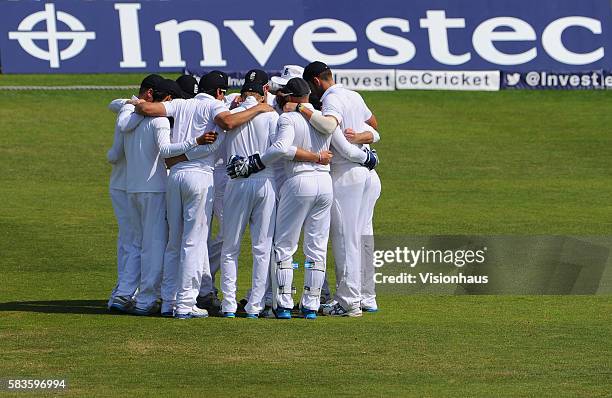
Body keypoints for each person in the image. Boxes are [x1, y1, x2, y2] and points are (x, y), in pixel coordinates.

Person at [134, 71, 274, 319]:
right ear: (220, 92)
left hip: (175, 175)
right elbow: (228, 123)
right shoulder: (213, 106)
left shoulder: (181, 103)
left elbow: (146, 108)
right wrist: (259, 109)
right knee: (193, 241)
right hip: (199, 176)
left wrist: (130, 103)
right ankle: (186, 303)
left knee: (174, 241)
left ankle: (169, 300)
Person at [233, 78, 334, 320]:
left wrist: (256, 162)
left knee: (284, 246)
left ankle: (284, 303)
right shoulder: (320, 117)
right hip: (325, 184)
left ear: (288, 97)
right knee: (316, 248)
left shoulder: (287, 118)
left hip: (299, 181)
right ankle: (310, 305)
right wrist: (319, 157)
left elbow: (280, 148)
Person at [289, 61, 381, 317]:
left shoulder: (331, 100)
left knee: (345, 239)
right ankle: (367, 296)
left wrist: (303, 110)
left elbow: (333, 134)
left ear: (316, 81)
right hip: (366, 176)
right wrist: (364, 143)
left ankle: (348, 302)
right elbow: (373, 125)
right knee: (363, 236)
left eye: (311, 88)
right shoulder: (353, 94)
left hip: (346, 174)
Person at [218, 81, 280, 318]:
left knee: (230, 246)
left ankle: (228, 304)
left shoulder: (231, 113)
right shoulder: (271, 116)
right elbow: (279, 149)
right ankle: (255, 305)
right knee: (262, 248)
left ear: (243, 93)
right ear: (264, 92)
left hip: (236, 182)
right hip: (265, 181)